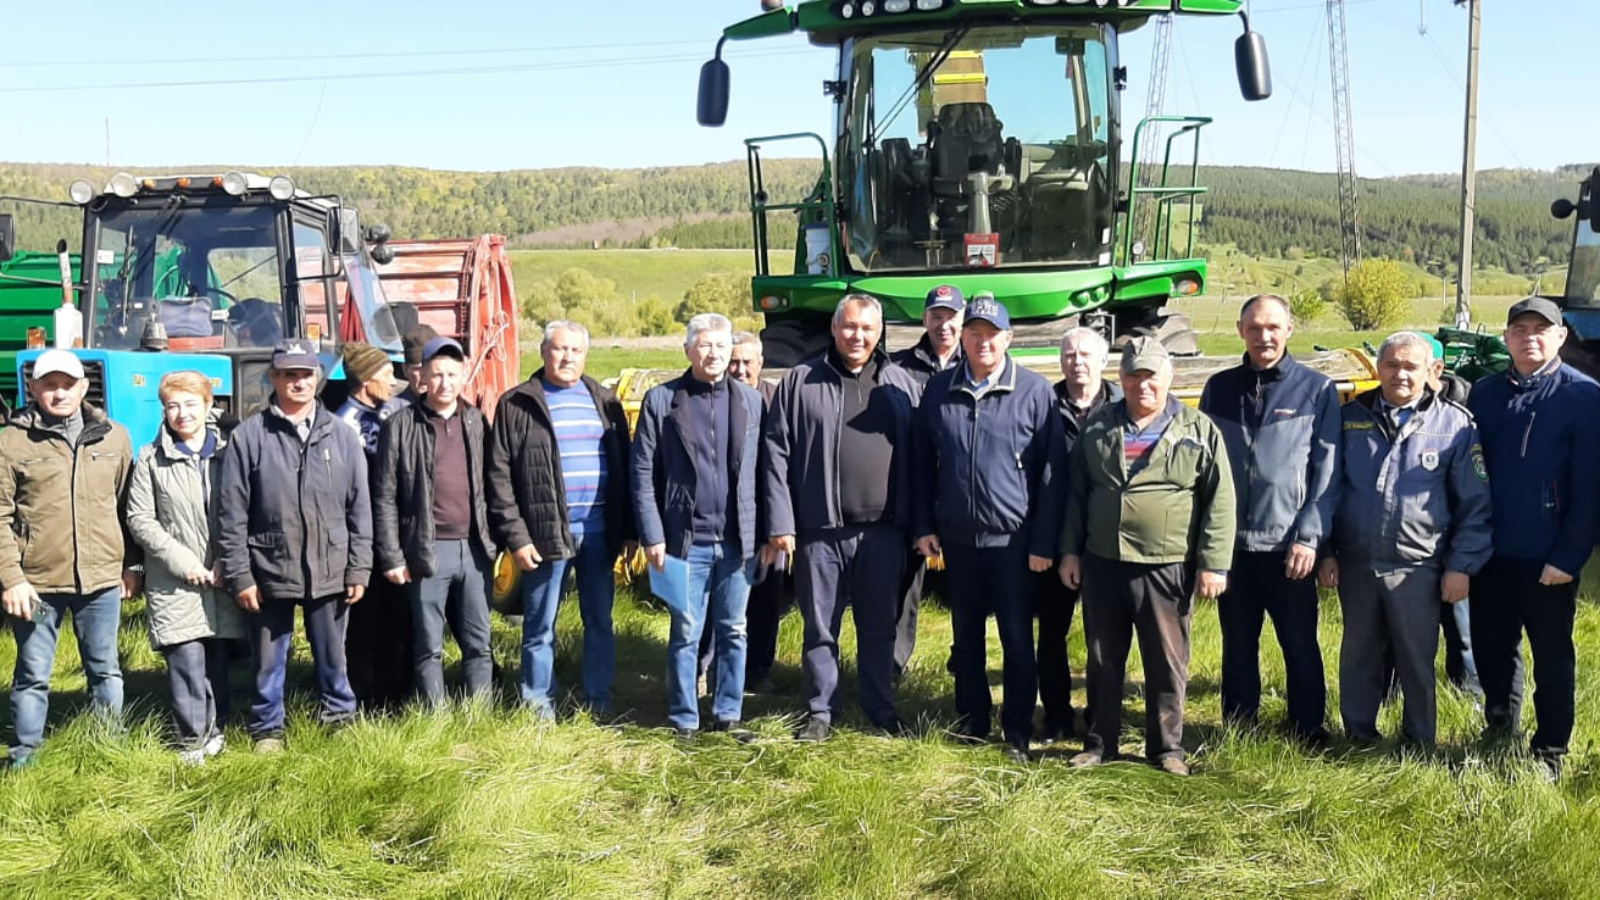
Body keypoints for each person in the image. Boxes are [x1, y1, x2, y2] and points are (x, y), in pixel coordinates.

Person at [1059, 337, 1235, 776]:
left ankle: (1165, 748)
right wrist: (1069, 552)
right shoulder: (1098, 428)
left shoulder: (1198, 429)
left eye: (1150, 375)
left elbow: (1221, 500)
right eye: (1133, 376)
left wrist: (1214, 563)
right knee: (1102, 658)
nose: (1142, 385)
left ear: (1168, 378)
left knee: (1166, 660)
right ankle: (1100, 743)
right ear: (1121, 379)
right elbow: (1076, 496)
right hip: (1104, 561)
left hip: (1168, 564)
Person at [1320, 332, 1492, 748]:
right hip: (1358, 562)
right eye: (1392, 365)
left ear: (1431, 372)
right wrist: (1326, 550)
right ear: (1378, 369)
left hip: (1419, 566)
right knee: (1358, 655)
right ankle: (1358, 734)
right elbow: (1329, 488)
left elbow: (1476, 504)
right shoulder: (1350, 418)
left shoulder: (1455, 425)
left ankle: (1419, 742)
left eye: (1411, 367)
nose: (1400, 374)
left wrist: (1460, 566)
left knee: (1416, 659)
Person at [913, 295, 1065, 762]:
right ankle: (972, 721)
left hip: (1014, 544)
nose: (983, 342)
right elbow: (922, 464)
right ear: (962, 337)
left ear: (1009, 339)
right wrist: (924, 524)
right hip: (959, 540)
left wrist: (1042, 542)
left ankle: (1016, 730)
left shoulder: (1035, 392)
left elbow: (1051, 473)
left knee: (1018, 639)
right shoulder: (939, 390)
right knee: (967, 639)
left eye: (992, 334)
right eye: (974, 333)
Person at [764, 296, 921, 740]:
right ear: (834, 329)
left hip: (884, 534)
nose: (858, 336)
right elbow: (776, 454)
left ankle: (880, 709)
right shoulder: (801, 382)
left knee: (878, 628)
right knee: (820, 628)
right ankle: (820, 712)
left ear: (879, 332)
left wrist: (917, 523)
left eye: (868, 329)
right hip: (819, 531)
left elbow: (920, 458)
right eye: (850, 327)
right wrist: (781, 521)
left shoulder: (900, 383)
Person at [1467, 297, 1600, 779]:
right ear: (1506, 339)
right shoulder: (1483, 395)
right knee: (1492, 645)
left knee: (1551, 654)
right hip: (1489, 551)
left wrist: (1568, 555)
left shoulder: (1584, 397)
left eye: (1541, 329)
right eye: (1519, 330)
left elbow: (1590, 488)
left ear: (1561, 336)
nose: (1530, 338)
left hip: (1547, 555)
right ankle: (1500, 724)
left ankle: (1550, 751)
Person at [217, 339, 371, 753]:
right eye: (289, 374)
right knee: (268, 661)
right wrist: (241, 575)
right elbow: (230, 515)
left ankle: (339, 718)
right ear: (274, 378)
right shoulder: (249, 437)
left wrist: (359, 567)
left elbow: (360, 507)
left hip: (330, 565)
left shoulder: (341, 436)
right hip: (269, 568)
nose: (298, 382)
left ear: (317, 378)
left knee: (333, 654)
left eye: (305, 374)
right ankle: (268, 728)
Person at [1199, 294, 1340, 745]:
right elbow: (1204, 468)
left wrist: (1310, 538)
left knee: (1299, 644)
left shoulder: (1316, 390)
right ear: (1241, 330)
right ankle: (1240, 729)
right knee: (1237, 646)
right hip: (1233, 548)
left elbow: (1327, 474)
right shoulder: (1219, 388)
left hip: (1289, 548)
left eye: (1273, 327)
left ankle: (1308, 728)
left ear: (1289, 330)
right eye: (1255, 328)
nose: (1264, 336)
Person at [487, 320, 634, 718]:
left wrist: (628, 530)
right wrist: (516, 537)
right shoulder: (517, 404)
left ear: (586, 355)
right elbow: (499, 477)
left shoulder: (605, 401)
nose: (567, 357)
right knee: (539, 625)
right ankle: (538, 704)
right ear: (543, 352)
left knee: (599, 621)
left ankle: (599, 699)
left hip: (599, 532)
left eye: (575, 350)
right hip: (545, 534)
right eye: (559, 349)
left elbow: (626, 469)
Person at [0, 349, 138, 768]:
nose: (59, 393)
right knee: (33, 674)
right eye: (49, 385)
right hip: (37, 584)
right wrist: (11, 580)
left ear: (83, 387)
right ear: (34, 389)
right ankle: (25, 756)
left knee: (105, 670)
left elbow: (127, 506)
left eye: (67, 384)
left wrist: (132, 565)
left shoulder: (114, 436)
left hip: (100, 581)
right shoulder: (11, 441)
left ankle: (108, 747)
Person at [633, 313, 764, 739]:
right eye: (705, 345)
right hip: (682, 542)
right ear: (688, 350)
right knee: (686, 632)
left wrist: (766, 532)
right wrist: (652, 534)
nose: (714, 353)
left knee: (734, 630)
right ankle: (684, 717)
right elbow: (642, 472)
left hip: (738, 541)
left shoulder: (751, 401)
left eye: (721, 346)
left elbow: (766, 472)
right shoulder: (662, 401)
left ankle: (728, 714)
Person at [125, 371, 243, 765]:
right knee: (186, 657)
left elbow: (245, 507)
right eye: (173, 405)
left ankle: (218, 728)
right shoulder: (149, 459)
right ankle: (191, 739)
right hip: (175, 580)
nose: (182, 413)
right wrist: (186, 563)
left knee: (216, 657)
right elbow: (141, 519)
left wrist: (228, 559)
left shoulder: (232, 453)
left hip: (224, 573)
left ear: (209, 406)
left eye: (190, 404)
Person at [374, 337, 496, 708]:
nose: (445, 383)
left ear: (463, 377)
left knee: (479, 641)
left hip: (475, 548)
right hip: (426, 549)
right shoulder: (400, 425)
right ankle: (435, 718)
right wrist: (392, 556)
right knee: (429, 644)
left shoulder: (476, 421)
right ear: (422, 376)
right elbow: (384, 495)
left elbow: (491, 483)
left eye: (453, 374)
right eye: (437, 374)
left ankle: (480, 714)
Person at [1033, 326, 1122, 744]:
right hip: (1054, 540)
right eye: (1069, 355)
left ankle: (1102, 716)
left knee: (1104, 638)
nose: (1077, 362)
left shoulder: (1125, 407)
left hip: (1110, 541)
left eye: (1086, 354)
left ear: (1104, 361)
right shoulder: (1042, 405)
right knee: (1052, 633)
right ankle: (1056, 716)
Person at [888, 284, 966, 679]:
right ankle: (894, 666)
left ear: (962, 318)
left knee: (967, 588)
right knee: (906, 587)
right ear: (925, 320)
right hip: (914, 490)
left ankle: (965, 658)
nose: (944, 325)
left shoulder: (980, 366)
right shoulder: (897, 369)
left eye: (951, 317)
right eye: (936, 316)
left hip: (961, 492)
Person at [336, 341, 414, 710]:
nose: (393, 382)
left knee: (399, 617)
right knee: (365, 622)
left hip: (398, 533)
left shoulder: (396, 411)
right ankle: (364, 695)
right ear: (365, 380)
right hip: (362, 538)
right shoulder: (343, 425)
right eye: (386, 376)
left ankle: (398, 690)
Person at [728, 331, 789, 694]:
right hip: (724, 519)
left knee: (766, 598)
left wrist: (776, 527)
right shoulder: (717, 399)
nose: (740, 369)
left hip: (767, 517)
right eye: (734, 361)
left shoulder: (775, 401)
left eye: (747, 362)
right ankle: (711, 667)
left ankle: (759, 670)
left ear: (761, 363)